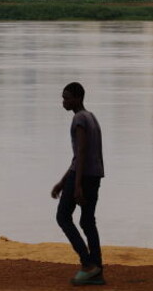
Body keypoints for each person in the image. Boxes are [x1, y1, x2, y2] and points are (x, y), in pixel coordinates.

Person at [51, 81, 105, 286]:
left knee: (63, 217)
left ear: (78, 98)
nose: (63, 102)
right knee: (87, 221)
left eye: (66, 97)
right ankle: (97, 269)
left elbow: (81, 154)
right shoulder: (91, 117)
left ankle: (87, 263)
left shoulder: (79, 119)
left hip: (83, 176)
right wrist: (62, 182)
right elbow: (80, 157)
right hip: (95, 175)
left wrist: (77, 184)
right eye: (63, 98)